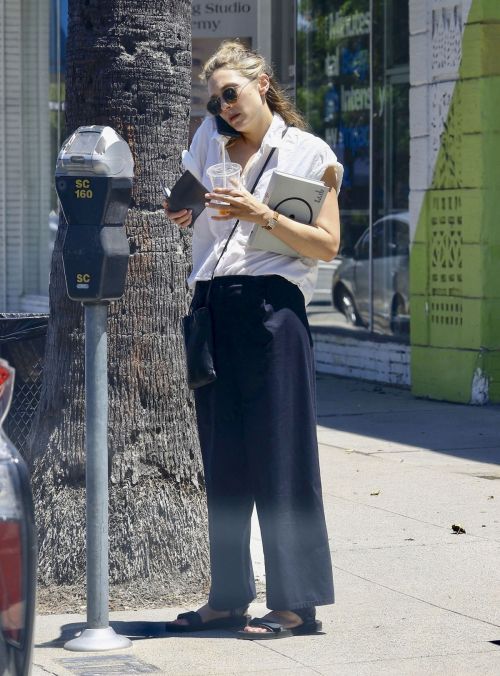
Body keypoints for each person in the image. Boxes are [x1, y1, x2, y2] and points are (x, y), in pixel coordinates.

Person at [164, 40, 342, 639]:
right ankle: (228, 596)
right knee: (224, 462)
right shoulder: (208, 142)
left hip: (271, 309)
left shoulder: (303, 152)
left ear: (262, 83)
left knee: (282, 458)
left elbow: (324, 245)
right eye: (215, 101)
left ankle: (296, 604)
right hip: (212, 308)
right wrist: (180, 208)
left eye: (232, 94)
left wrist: (259, 213)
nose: (224, 109)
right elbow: (186, 198)